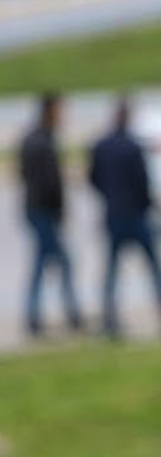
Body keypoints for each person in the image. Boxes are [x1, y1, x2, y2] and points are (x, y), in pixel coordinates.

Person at [88, 97, 161, 339]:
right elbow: (142, 183)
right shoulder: (132, 147)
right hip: (136, 215)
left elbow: (93, 179)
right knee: (155, 269)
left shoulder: (101, 145)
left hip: (113, 215)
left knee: (112, 272)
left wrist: (110, 198)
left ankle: (110, 319)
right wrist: (146, 205)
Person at [18, 92, 84, 339]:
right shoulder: (42, 142)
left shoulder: (34, 139)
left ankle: (35, 317)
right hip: (43, 212)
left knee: (42, 264)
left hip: (36, 211)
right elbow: (48, 183)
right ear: (50, 111)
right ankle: (70, 314)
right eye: (60, 110)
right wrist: (59, 211)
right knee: (61, 264)